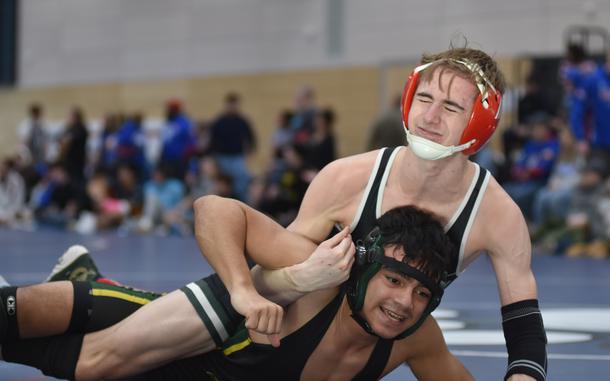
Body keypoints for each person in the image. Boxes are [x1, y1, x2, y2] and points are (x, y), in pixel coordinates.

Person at [5, 46, 547, 381]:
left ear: (481, 123)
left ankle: (89, 283)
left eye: (451, 107)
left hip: (343, 339)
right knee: (100, 361)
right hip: (277, 320)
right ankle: (87, 289)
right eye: (424, 99)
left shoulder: (496, 217)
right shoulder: (348, 179)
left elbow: (523, 329)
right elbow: (272, 272)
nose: (430, 117)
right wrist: (259, 289)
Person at [1, 203, 472, 380]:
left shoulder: (417, 338)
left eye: (421, 293)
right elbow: (215, 210)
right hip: (169, 328)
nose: (404, 303)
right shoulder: (323, 275)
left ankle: (85, 277)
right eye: (394, 280)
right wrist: (243, 290)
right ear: (364, 268)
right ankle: (86, 286)